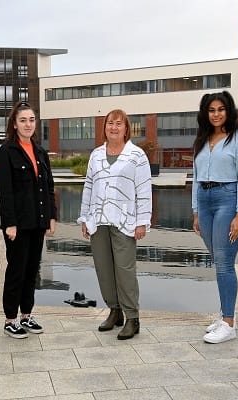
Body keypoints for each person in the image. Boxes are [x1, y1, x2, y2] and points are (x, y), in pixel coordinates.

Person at [78, 109, 152, 340]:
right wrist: (85, 218)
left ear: (126, 128)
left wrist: (142, 222)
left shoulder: (136, 156)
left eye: (119, 124)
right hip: (98, 221)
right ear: (105, 128)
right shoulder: (96, 155)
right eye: (110, 123)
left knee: (125, 270)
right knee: (104, 269)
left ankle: (133, 317)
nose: (114, 127)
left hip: (124, 222)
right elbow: (89, 188)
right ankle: (115, 311)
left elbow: (144, 190)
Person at [192, 91, 238, 344]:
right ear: (205, 114)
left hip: (227, 200)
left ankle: (229, 323)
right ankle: (225, 314)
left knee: (225, 262)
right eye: (211, 110)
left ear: (229, 110)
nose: (216, 114)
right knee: (218, 260)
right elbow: (195, 177)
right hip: (205, 202)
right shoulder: (203, 139)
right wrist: (195, 211)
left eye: (221, 109)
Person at [0, 101, 57, 339]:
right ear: (14, 123)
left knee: (32, 271)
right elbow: (5, 191)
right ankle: (10, 319)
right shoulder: (6, 152)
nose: (28, 124)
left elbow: (48, 187)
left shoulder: (40, 152)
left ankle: (26, 315)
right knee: (16, 271)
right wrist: (10, 223)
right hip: (18, 224)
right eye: (23, 120)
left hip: (38, 221)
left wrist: (51, 216)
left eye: (31, 120)